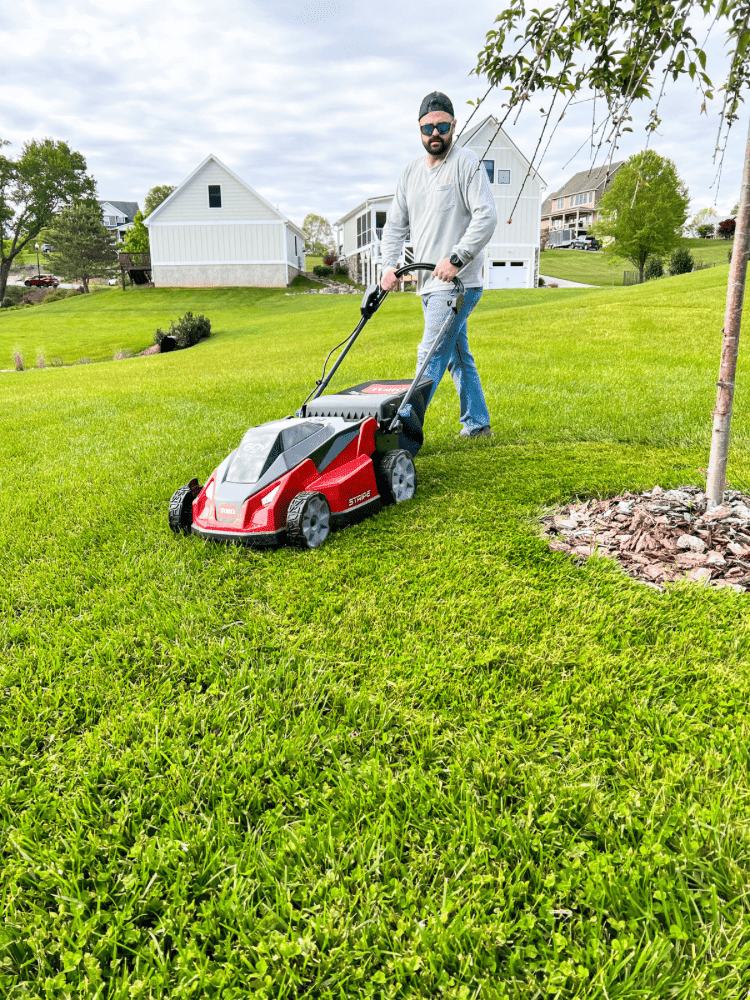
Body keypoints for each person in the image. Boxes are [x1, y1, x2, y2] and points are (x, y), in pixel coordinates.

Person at [379, 91, 498, 438]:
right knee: (458, 357)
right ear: (419, 129)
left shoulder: (466, 163)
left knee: (429, 356)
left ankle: (400, 433)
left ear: (453, 126)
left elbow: (486, 216)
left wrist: (457, 257)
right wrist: (389, 265)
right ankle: (478, 426)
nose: (435, 133)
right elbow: (395, 226)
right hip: (428, 285)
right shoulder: (410, 174)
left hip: (458, 282)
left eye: (442, 126)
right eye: (428, 127)